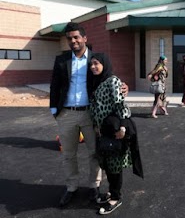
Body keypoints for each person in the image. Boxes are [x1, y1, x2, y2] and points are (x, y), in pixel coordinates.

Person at [49, 22, 128, 207]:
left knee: (95, 153)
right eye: (70, 38)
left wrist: (124, 86)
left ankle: (94, 186)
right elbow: (54, 85)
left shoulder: (95, 58)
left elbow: (109, 77)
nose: (73, 40)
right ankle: (71, 187)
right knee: (69, 154)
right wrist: (54, 110)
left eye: (76, 37)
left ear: (85, 38)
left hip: (90, 115)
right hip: (66, 114)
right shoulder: (61, 60)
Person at [90, 53, 143, 215]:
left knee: (114, 165)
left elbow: (121, 106)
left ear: (104, 64)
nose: (93, 67)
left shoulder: (112, 81)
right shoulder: (98, 81)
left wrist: (123, 128)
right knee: (106, 163)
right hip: (103, 131)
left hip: (114, 131)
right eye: (91, 64)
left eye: (96, 63)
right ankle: (112, 192)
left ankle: (116, 197)